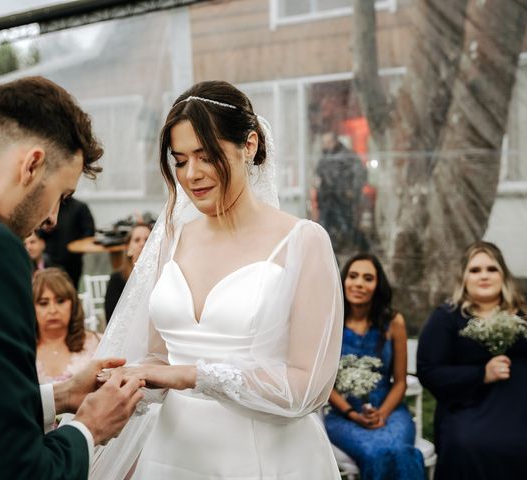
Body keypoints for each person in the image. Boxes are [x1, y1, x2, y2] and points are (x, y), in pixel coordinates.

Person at [90, 80, 344, 479]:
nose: (191, 175)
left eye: (206, 156)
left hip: (264, 457)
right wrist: (128, 380)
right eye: (179, 160)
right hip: (173, 456)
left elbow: (307, 388)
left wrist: (192, 375)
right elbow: (159, 359)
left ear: (250, 146)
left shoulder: (303, 242)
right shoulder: (172, 240)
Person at [0, 76, 144, 479]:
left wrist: (63, 395)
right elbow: (13, 470)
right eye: (62, 195)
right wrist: (90, 429)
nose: (52, 219)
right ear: (31, 165)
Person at [417, 241, 527, 479]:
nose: (483, 276)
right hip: (473, 408)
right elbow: (429, 370)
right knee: (471, 445)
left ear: (503, 274)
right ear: (463, 277)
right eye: (475, 270)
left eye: (491, 269)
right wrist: (481, 374)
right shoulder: (448, 317)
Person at [324, 253, 424, 479]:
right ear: (343, 280)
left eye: (368, 278)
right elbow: (325, 384)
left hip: (390, 410)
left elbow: (400, 382)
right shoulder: (330, 320)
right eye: (353, 276)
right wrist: (352, 414)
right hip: (343, 414)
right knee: (375, 452)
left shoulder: (393, 322)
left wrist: (383, 413)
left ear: (377, 285)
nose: (359, 283)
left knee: (401, 451)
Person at [35, 268, 100, 384]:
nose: (53, 310)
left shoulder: (97, 344)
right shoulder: (22, 349)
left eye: (60, 301)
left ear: (73, 304)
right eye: (43, 303)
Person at [314, 131, 367, 251]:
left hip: (343, 200)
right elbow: (319, 175)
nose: (324, 145)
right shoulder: (325, 157)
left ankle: (354, 248)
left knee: (346, 227)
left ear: (334, 141)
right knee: (326, 228)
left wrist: (351, 191)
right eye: (323, 142)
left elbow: (360, 175)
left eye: (326, 142)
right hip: (327, 200)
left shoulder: (348, 156)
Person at [104, 222, 153, 321]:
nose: (142, 244)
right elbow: (111, 319)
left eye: (147, 239)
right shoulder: (117, 279)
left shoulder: (162, 276)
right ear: (128, 247)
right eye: (137, 240)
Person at [43, 196, 95, 288]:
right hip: (50, 260)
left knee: (71, 290)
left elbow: (89, 232)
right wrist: (44, 229)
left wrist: (77, 248)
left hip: (73, 261)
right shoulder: (48, 207)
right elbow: (38, 234)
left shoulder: (80, 207)